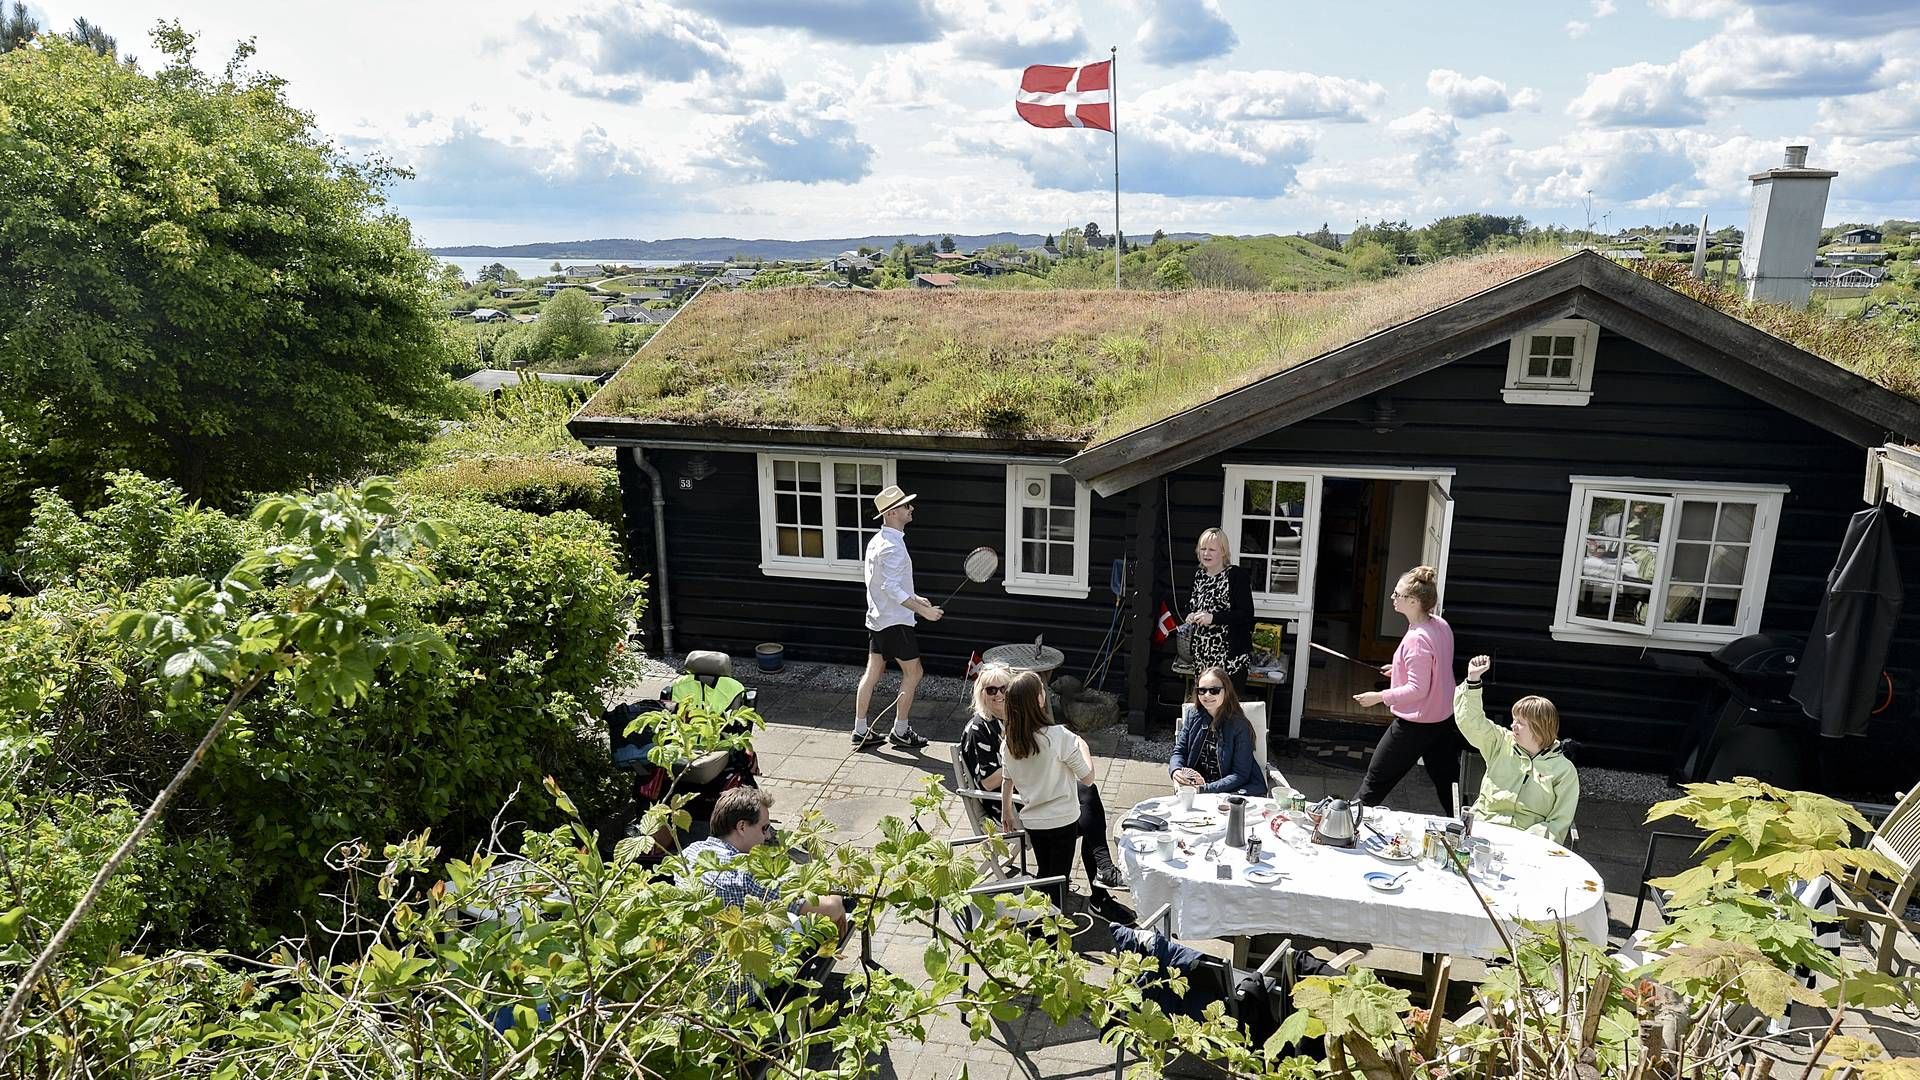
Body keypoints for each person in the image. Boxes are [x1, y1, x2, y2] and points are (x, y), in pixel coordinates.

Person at [960, 661, 1125, 899]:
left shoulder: (1013, 729)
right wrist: (1075, 750)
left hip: (1030, 806)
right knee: (1088, 813)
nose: (998, 695)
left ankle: (1099, 880)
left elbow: (1014, 770)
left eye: (1004, 689)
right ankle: (1099, 877)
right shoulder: (981, 729)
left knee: (1089, 805)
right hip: (1023, 803)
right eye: (991, 690)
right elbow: (989, 781)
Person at [1352, 565, 1464, 814]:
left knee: (1375, 781)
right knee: (1449, 786)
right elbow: (1434, 668)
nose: (1393, 598)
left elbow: (1417, 689)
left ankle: (1343, 828)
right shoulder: (1440, 625)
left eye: (1397, 595)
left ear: (1413, 601)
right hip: (1443, 721)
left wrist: (1379, 697)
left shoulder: (1416, 639)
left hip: (1415, 725)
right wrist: (1399, 668)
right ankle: (1468, 829)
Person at [1454, 655, 1580, 843]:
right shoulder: (1501, 742)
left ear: (1539, 728)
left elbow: (1558, 823)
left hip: (1526, 842)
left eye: (1520, 723)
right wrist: (1473, 680)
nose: (1513, 726)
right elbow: (1471, 722)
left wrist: (1524, 842)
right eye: (1514, 720)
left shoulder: (1564, 771)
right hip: (1483, 830)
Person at [853, 484, 942, 750]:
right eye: (906, 506)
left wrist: (917, 598)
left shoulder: (877, 541)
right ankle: (901, 731)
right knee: (914, 673)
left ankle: (860, 730)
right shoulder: (893, 546)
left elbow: (887, 582)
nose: (911, 508)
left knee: (873, 672)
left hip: (878, 619)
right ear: (891, 513)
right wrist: (923, 610)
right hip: (895, 622)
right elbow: (890, 587)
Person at [999, 671, 1095, 909]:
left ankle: (1039, 919)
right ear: (1039, 700)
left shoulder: (1009, 743)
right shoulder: (1059, 736)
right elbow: (1088, 778)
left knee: (1044, 869)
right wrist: (1083, 746)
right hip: (1063, 820)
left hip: (1034, 821)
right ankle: (1051, 931)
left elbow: (1006, 780)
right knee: (1058, 878)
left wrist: (1006, 811)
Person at [1168, 666, 1269, 797]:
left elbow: (1240, 774)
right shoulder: (1193, 715)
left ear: (1226, 691)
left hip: (1228, 793)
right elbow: (1179, 751)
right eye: (1202, 690)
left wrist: (1204, 789)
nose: (1207, 695)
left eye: (1214, 690)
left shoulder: (1239, 726)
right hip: (1195, 789)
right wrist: (1175, 770)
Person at [1184, 528, 1255, 695]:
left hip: (1230, 659)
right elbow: (1191, 605)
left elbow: (1246, 614)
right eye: (1203, 549)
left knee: (1227, 713)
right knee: (1206, 709)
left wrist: (1213, 618)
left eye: (1212, 549)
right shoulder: (1199, 576)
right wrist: (1191, 615)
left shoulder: (1236, 576)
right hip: (1202, 658)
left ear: (1223, 552)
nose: (1206, 553)